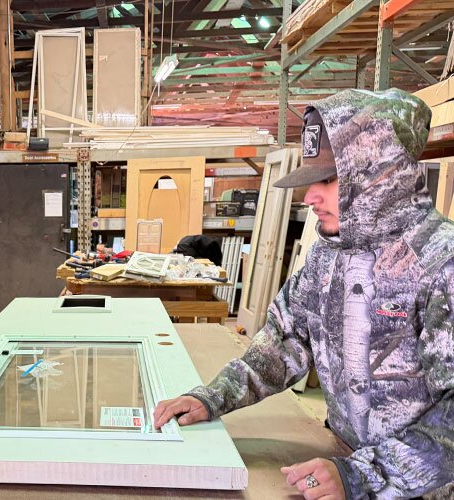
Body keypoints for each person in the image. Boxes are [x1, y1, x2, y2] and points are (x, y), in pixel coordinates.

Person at [153, 88, 454, 499]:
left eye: (328, 180)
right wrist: (213, 397)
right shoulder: (329, 255)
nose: (310, 197)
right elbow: (284, 341)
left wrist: (361, 477)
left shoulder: (441, 263)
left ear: (380, 176)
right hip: (345, 457)